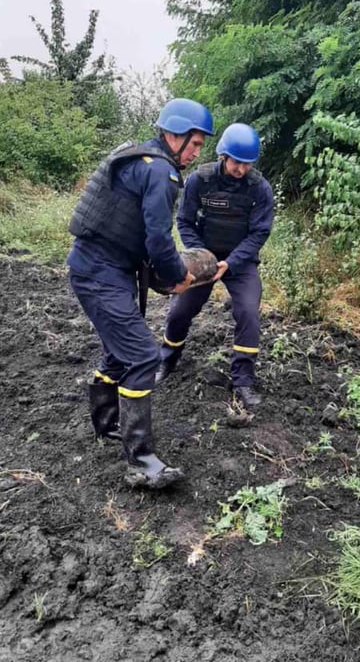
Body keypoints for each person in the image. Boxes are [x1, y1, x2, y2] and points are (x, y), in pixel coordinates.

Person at [66, 98, 214, 489]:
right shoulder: (161, 171)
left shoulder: (139, 158)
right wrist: (178, 278)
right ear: (174, 135)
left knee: (121, 350)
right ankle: (141, 458)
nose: (197, 153)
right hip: (100, 272)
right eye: (195, 144)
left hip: (99, 266)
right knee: (144, 355)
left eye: (201, 146)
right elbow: (158, 240)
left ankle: (106, 423)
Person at [156, 122, 274, 409]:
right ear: (223, 155)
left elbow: (259, 232)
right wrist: (203, 256)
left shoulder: (260, 188)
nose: (241, 170)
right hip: (204, 257)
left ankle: (243, 381)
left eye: (248, 164)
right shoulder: (200, 180)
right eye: (237, 163)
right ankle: (166, 361)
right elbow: (183, 221)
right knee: (180, 311)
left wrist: (231, 263)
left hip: (239, 262)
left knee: (247, 312)